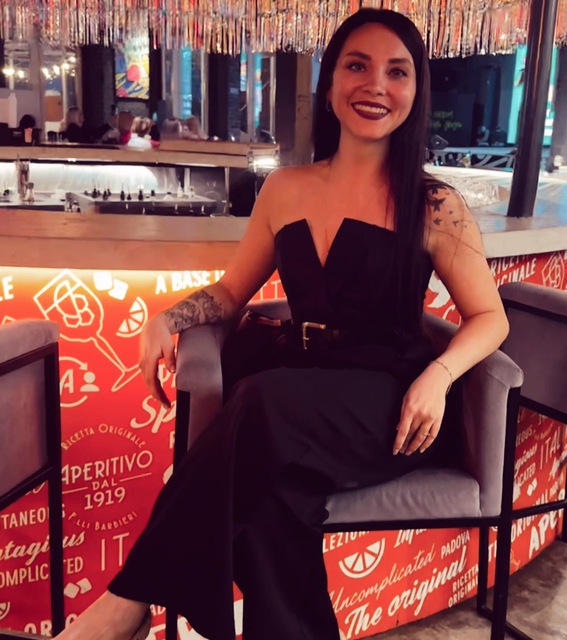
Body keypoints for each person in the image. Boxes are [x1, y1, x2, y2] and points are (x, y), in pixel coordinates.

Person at [54, 8, 508, 640]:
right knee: (272, 507)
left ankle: (125, 604)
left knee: (260, 400)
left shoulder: (434, 204)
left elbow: (490, 318)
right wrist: (167, 317)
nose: (376, 85)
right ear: (330, 83)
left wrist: (440, 374)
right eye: (357, 65)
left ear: (416, 89)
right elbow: (231, 293)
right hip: (299, 386)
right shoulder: (285, 189)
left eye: (397, 72)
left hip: (390, 401)